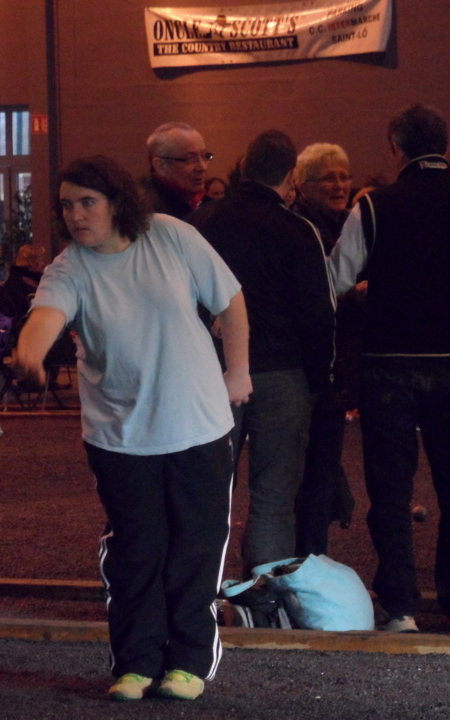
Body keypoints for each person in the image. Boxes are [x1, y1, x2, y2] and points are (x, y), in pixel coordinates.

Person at [14, 155, 250, 702]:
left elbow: (230, 300)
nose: (75, 214)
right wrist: (28, 353)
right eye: (67, 205)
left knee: (196, 546)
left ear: (117, 202)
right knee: (137, 551)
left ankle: (189, 661)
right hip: (120, 436)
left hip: (200, 424)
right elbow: (46, 316)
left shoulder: (170, 236)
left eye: (87, 202)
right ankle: (137, 663)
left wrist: (237, 371)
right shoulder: (69, 268)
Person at [330, 105, 450, 632]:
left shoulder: (373, 207)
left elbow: (337, 279)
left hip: (388, 363)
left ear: (397, 148)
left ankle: (401, 607)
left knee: (391, 490)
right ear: (446, 143)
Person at [188, 130, 336, 573]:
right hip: (283, 373)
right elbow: (319, 313)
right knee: (274, 494)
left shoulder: (203, 223)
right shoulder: (298, 229)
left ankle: (202, 591)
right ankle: (265, 595)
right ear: (291, 175)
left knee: (210, 489)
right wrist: (320, 380)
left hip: (214, 371)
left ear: (243, 166)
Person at [291, 142, 361, 556]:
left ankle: (310, 555)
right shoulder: (305, 229)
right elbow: (312, 298)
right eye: (329, 177)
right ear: (302, 184)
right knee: (311, 473)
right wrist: (355, 296)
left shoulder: (341, 225)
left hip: (330, 373)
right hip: (311, 371)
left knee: (320, 469)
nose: (339, 184)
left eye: (344, 175)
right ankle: (307, 560)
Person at [140, 122, 213, 218]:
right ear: (161, 166)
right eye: (190, 159)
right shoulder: (148, 213)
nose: (203, 167)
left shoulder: (207, 204)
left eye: (205, 156)